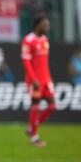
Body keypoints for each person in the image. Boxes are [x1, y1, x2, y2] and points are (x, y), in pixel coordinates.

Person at [21, 16, 56, 147]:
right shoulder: (28, 40)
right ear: (38, 25)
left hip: (47, 79)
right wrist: (33, 78)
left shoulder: (45, 40)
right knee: (36, 106)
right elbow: (26, 61)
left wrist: (48, 78)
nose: (48, 27)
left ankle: (32, 128)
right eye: (45, 24)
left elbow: (44, 63)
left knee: (53, 106)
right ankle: (34, 138)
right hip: (34, 81)